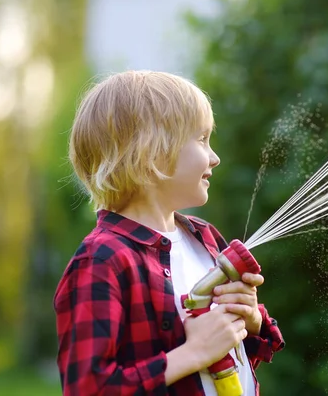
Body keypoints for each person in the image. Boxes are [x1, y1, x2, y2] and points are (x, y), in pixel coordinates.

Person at [54, 70, 284, 396]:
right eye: (202, 139)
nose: (215, 157)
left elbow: (225, 362)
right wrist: (192, 353)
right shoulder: (103, 260)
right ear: (151, 151)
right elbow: (88, 388)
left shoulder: (204, 239)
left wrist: (250, 321)